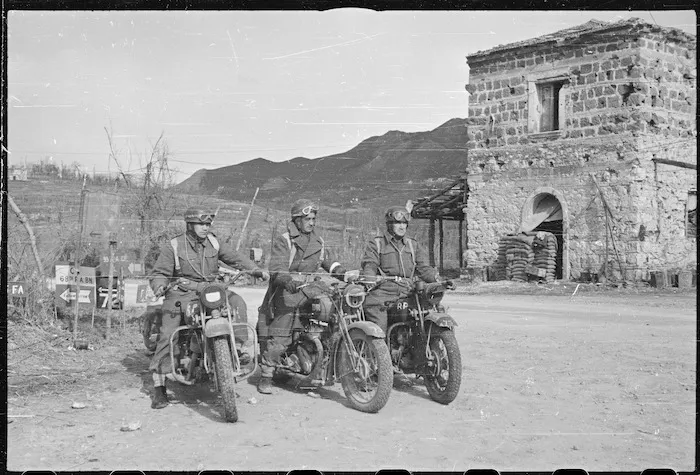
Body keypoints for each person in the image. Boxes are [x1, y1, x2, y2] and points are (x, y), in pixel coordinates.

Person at [148, 207, 269, 409]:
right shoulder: (174, 245)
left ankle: (237, 348)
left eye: (207, 224)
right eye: (201, 224)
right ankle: (159, 385)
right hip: (183, 291)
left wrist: (255, 270)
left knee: (237, 302)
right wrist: (159, 285)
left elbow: (235, 258)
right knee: (169, 331)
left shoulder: (214, 242)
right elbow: (159, 272)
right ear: (190, 225)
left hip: (212, 288)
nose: (205, 228)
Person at [256, 198, 349, 395]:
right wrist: (285, 279)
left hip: (311, 288)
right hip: (287, 290)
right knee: (281, 335)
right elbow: (277, 266)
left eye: (314, 218)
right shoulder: (285, 239)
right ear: (297, 220)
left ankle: (325, 361)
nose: (312, 222)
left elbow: (327, 261)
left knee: (331, 315)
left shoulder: (318, 241)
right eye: (308, 218)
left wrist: (342, 271)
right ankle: (266, 375)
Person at [360, 205, 438, 335]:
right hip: (383, 292)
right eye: (398, 223)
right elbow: (370, 264)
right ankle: (380, 352)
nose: (402, 227)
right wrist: (369, 278)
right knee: (380, 328)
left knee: (427, 314)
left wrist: (437, 280)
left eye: (404, 223)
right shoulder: (377, 243)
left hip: (408, 290)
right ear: (389, 224)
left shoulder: (412, 245)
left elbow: (423, 268)